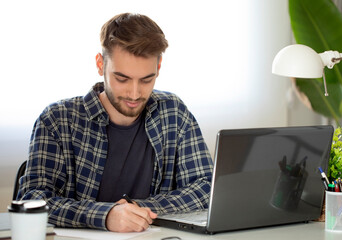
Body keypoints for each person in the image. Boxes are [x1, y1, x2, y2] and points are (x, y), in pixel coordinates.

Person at [17, 13, 213, 233]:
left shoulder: (174, 112)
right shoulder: (57, 119)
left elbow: (207, 188)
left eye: (146, 79)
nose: (135, 93)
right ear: (101, 65)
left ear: (158, 66)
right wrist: (106, 215)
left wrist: (138, 209)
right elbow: (32, 201)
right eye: (122, 78)